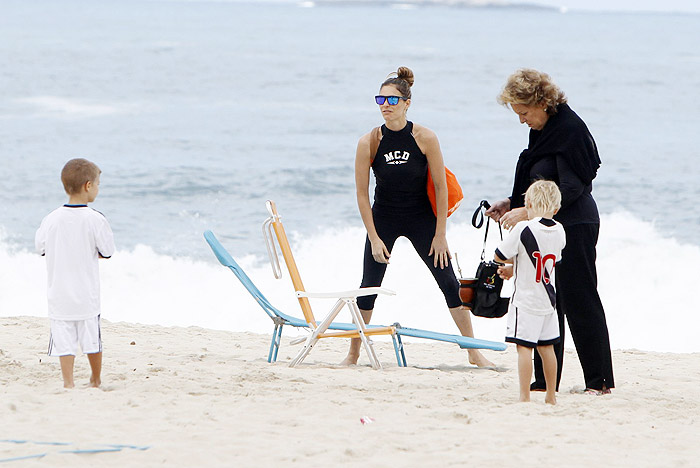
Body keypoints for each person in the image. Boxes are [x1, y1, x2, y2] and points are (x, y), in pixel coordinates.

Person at [340, 66, 492, 368]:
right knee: (369, 284)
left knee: (449, 282)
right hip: (384, 218)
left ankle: (474, 352)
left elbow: (440, 186)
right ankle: (353, 353)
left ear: (407, 103)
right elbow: (361, 193)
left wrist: (440, 234)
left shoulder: (425, 137)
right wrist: (373, 237)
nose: (385, 105)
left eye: (392, 100)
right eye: (380, 99)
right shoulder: (369, 142)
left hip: (423, 218)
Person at [486, 69, 614, 394]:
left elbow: (570, 188)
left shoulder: (569, 130)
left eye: (525, 113)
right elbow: (540, 179)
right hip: (549, 225)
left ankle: (598, 382)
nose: (521, 121)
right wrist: (510, 203)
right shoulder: (545, 130)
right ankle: (546, 381)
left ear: (542, 103)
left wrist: (527, 212)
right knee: (547, 299)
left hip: (577, 224)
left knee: (579, 298)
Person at [35, 158, 115, 389]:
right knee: (92, 338)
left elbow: (40, 247)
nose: (98, 189)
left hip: (58, 293)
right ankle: (95, 378)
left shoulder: (51, 219)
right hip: (86, 294)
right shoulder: (95, 219)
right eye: (98, 185)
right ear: (88, 186)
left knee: (63, 339)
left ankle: (68, 382)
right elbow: (107, 251)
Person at [495, 180, 566, 405]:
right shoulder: (560, 230)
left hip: (525, 301)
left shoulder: (523, 228)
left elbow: (500, 255)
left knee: (524, 348)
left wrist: (507, 264)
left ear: (529, 205)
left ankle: (524, 396)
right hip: (548, 301)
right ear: (556, 208)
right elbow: (543, 265)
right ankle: (551, 396)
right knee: (547, 348)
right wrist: (514, 269)